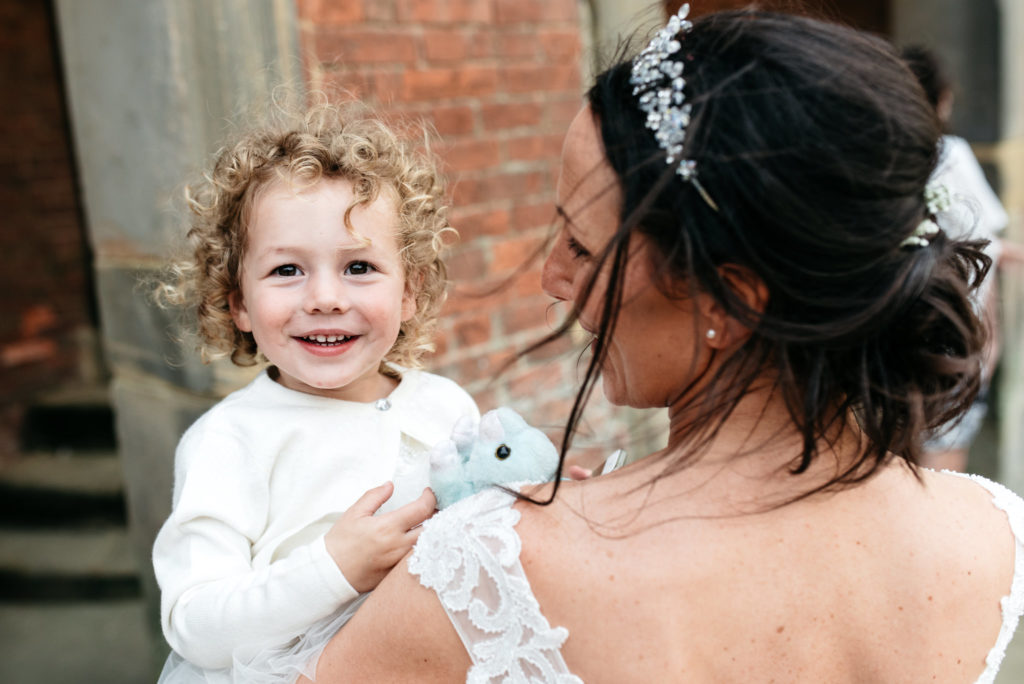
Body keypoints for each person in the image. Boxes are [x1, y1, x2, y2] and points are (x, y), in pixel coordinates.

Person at [301, 8, 1024, 683]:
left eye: (583, 247)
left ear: (731, 300)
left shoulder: (494, 568)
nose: (552, 278)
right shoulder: (990, 538)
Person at [151, 102, 479, 684]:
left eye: (358, 268)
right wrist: (333, 569)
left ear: (410, 291)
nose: (325, 297)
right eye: (286, 271)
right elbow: (194, 623)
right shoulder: (229, 440)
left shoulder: (447, 407)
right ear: (239, 303)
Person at [902, 45, 1021, 472]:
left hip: (901, 333)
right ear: (942, 98)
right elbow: (983, 239)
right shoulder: (949, 153)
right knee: (942, 477)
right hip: (956, 338)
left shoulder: (885, 161)